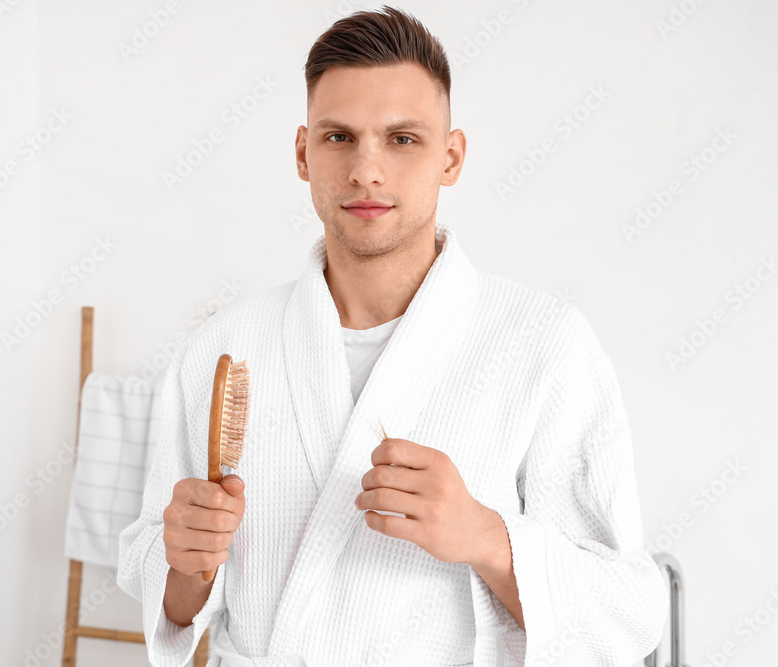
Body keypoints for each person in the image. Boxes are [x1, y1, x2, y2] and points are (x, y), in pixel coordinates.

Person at [118, 6, 668, 666]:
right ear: (303, 153)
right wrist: (187, 566)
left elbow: (628, 613)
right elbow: (174, 603)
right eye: (339, 138)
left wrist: (487, 535)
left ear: (451, 156)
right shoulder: (221, 349)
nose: (367, 171)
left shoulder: (545, 344)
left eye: (402, 139)